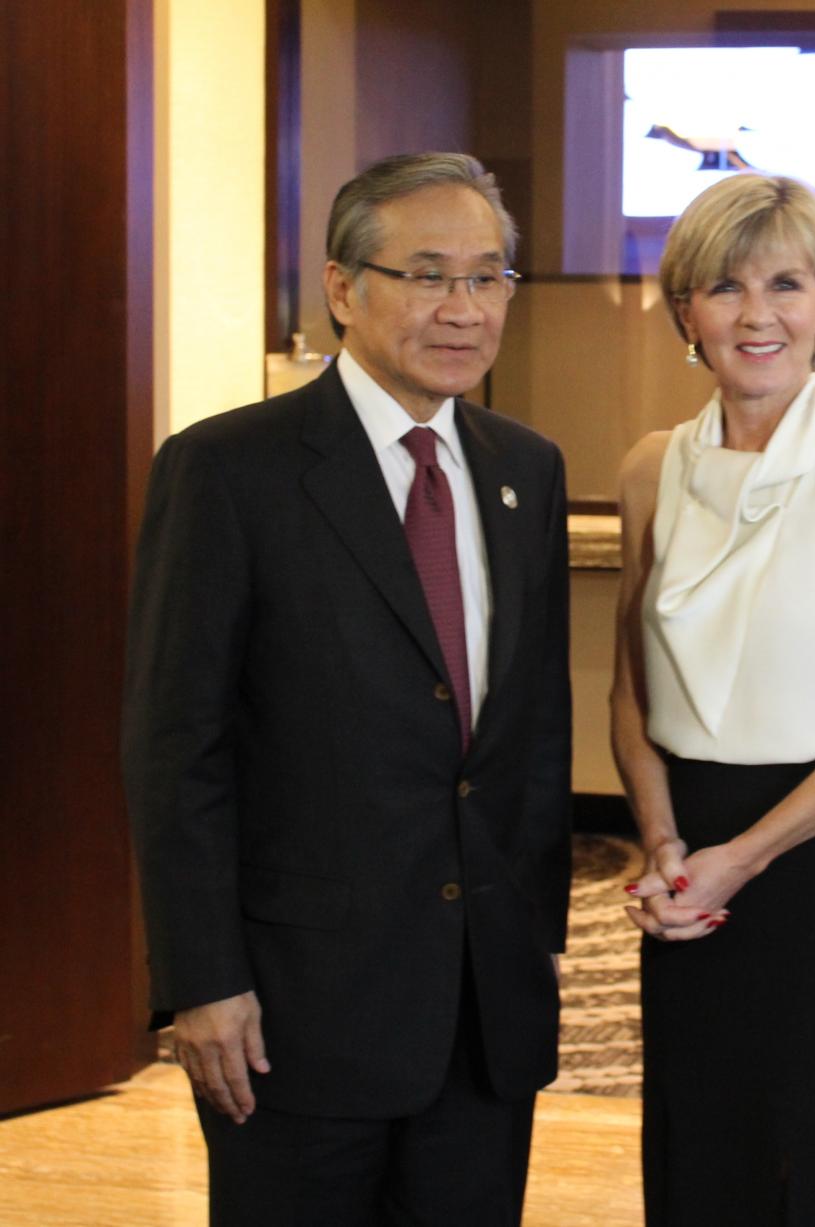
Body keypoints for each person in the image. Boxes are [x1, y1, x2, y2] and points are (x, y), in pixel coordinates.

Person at [122, 152, 571, 1227]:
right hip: (295, 1012)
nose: (462, 309)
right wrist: (203, 980)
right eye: (426, 275)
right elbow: (174, 746)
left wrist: (532, 937)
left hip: (482, 1011)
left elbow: (530, 730)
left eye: (487, 277)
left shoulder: (528, 470)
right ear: (341, 288)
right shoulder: (229, 472)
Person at [610, 173, 815, 1226]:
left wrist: (739, 860)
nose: (759, 315)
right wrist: (664, 846)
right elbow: (632, 687)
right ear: (683, 313)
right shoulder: (651, 467)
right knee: (699, 1158)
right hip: (688, 875)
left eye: (788, 284)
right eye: (725, 286)